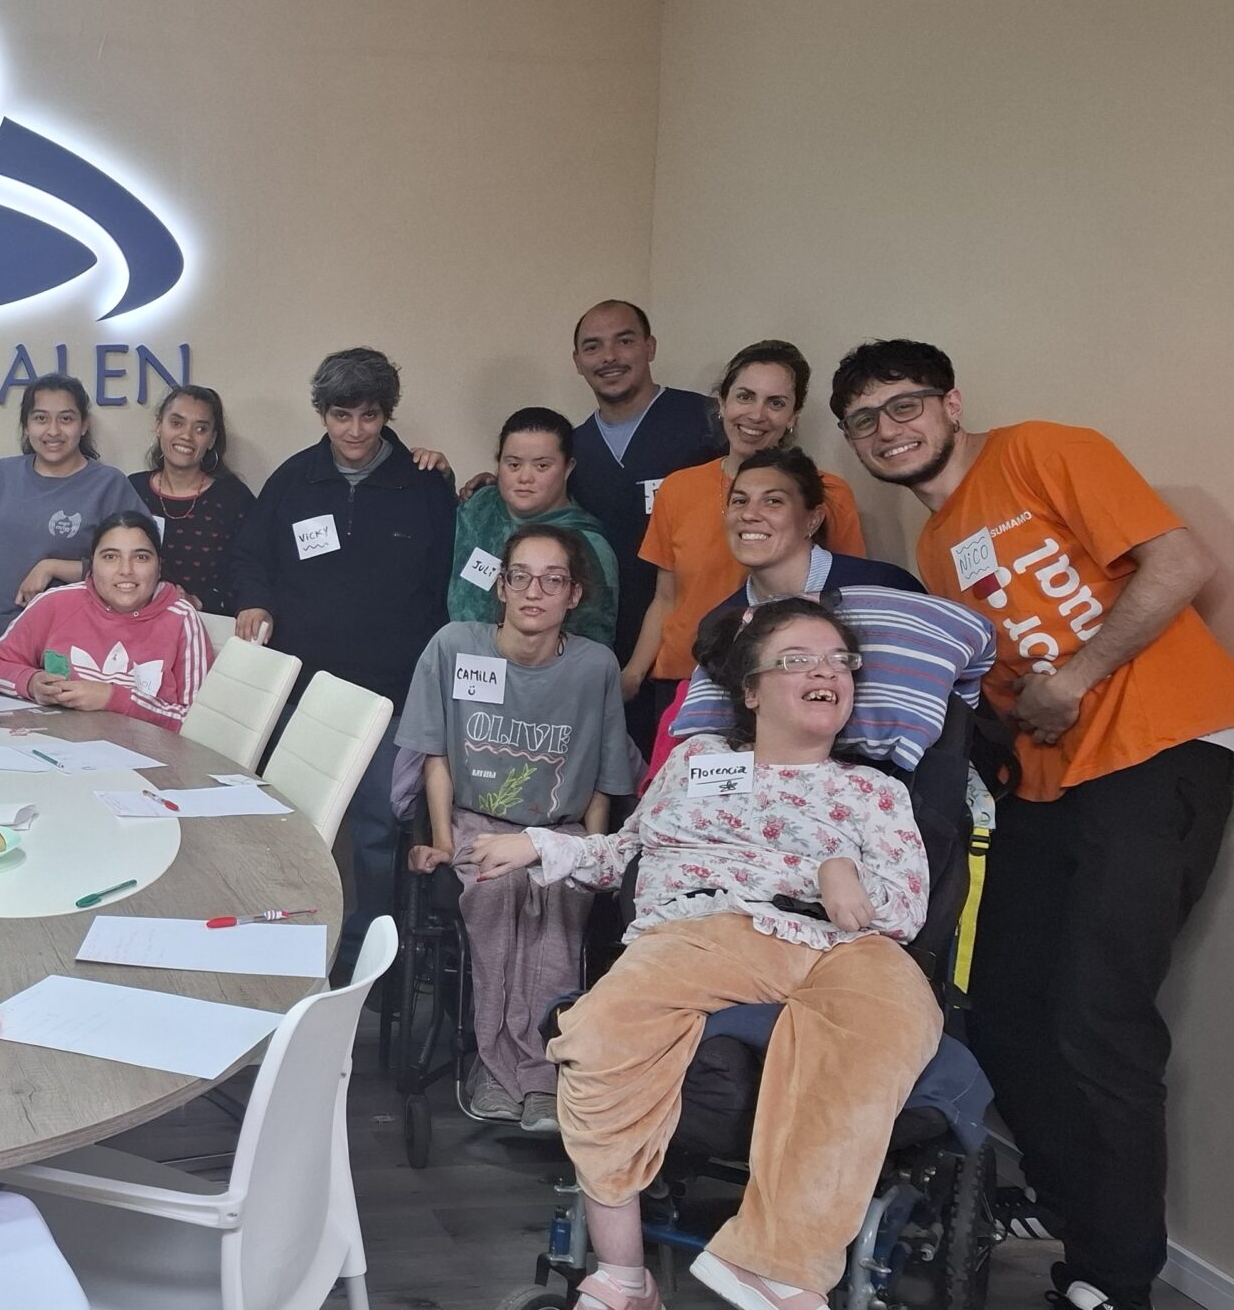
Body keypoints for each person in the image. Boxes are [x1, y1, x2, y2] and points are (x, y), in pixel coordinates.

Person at [831, 339, 1234, 1310]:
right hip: (1050, 784)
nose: (887, 430)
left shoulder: (1037, 450)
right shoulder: (936, 548)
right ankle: (1075, 1213)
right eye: (863, 421)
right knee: (1000, 1008)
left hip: (1159, 748)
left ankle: (1116, 1279)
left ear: (949, 404)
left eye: (903, 406)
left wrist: (1075, 675)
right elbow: (1000, 692)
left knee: (1099, 1018)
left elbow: (1178, 563)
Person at [531, 599, 941, 1310]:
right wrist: (542, 846)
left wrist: (839, 871)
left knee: (896, 1014)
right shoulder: (699, 761)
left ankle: (775, 1265)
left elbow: (904, 910)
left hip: (843, 946)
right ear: (751, 690)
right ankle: (625, 1277)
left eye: (839, 661)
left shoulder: (875, 792)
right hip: (711, 928)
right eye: (798, 659)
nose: (825, 672)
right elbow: (625, 854)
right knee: (599, 1034)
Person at [399, 523, 630, 1133]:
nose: (534, 591)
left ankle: (542, 1074)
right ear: (500, 586)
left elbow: (604, 777)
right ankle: (498, 1070)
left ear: (574, 595)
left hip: (559, 830)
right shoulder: (455, 646)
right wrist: (443, 841)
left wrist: (594, 856)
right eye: (521, 577)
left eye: (553, 581)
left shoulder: (595, 667)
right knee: (498, 890)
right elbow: (436, 755)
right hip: (477, 821)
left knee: (557, 898)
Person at [234, 347, 455, 974]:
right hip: (306, 692)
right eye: (341, 416)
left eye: (369, 416)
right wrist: (254, 601)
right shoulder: (293, 480)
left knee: (378, 829)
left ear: (387, 414)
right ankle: (291, 946)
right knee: (294, 822)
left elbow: (451, 579)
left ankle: (365, 961)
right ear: (322, 414)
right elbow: (251, 557)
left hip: (392, 694)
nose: (355, 431)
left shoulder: (423, 484)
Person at [626, 341, 868, 730]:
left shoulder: (828, 494)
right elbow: (666, 598)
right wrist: (634, 673)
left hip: (783, 682)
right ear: (722, 403)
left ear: (793, 416)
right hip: (684, 679)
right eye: (744, 396)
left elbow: (850, 599)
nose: (756, 414)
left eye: (776, 403)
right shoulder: (677, 488)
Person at [563, 300, 725, 690]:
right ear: (577, 361)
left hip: (700, 645)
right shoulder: (573, 449)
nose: (609, 357)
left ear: (649, 347)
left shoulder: (707, 422)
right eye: (593, 347)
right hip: (607, 642)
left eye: (624, 341)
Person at [0, 511, 213, 731]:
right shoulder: (55, 603)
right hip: (57, 744)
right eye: (110, 557)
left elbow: (198, 724)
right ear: (92, 564)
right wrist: (30, 682)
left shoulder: (182, 619)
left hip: (149, 753)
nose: (126, 570)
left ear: (159, 566)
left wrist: (112, 698)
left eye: (141, 557)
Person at [0, 373, 148, 636]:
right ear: (26, 425)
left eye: (66, 419)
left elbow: (139, 566)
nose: (53, 431)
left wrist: (53, 567)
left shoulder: (109, 485)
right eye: (41, 418)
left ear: (84, 425)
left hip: (76, 638)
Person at [696, 446, 921, 638]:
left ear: (813, 520)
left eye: (773, 501)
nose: (748, 514)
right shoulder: (722, 624)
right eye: (740, 501)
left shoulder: (884, 588)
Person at [449, 406, 620, 649]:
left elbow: (592, 644)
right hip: (460, 661)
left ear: (568, 468)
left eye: (541, 466)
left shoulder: (586, 545)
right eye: (513, 465)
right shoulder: (478, 507)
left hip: (537, 669)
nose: (525, 478)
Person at [127, 385, 256, 614]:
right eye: (176, 423)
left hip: (208, 624)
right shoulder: (131, 489)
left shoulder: (234, 498)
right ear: (159, 426)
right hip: (134, 620)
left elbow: (250, 572)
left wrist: (198, 601)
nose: (186, 436)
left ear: (212, 439)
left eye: (200, 429)